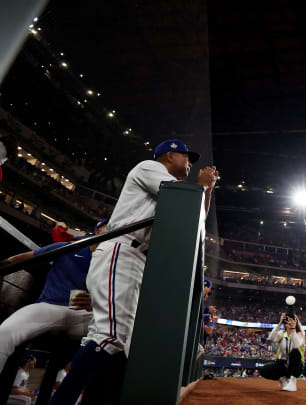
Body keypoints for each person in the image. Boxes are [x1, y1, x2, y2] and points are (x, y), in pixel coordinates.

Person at [49, 139, 218, 405]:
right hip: (123, 250)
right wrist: (202, 185)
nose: (189, 163)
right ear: (170, 155)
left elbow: (195, 215)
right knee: (111, 336)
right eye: (186, 157)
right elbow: (183, 202)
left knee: (113, 338)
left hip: (133, 256)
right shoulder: (149, 167)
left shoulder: (167, 180)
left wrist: (207, 191)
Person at [0, 220, 109, 371]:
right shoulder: (70, 247)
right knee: (5, 332)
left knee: (114, 339)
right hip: (52, 306)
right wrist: (6, 263)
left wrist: (95, 304)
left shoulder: (115, 263)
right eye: (109, 226)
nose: (113, 229)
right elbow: (29, 256)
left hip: (86, 314)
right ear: (97, 231)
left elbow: (112, 303)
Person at [259, 313, 305, 392]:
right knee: (263, 370)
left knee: (295, 352)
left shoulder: (300, 334)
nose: (288, 323)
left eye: (291, 321)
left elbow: (296, 345)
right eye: (286, 321)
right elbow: (271, 338)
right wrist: (280, 323)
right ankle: (283, 380)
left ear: (295, 322)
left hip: (295, 365)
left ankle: (293, 382)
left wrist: (293, 329)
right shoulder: (282, 333)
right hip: (282, 363)